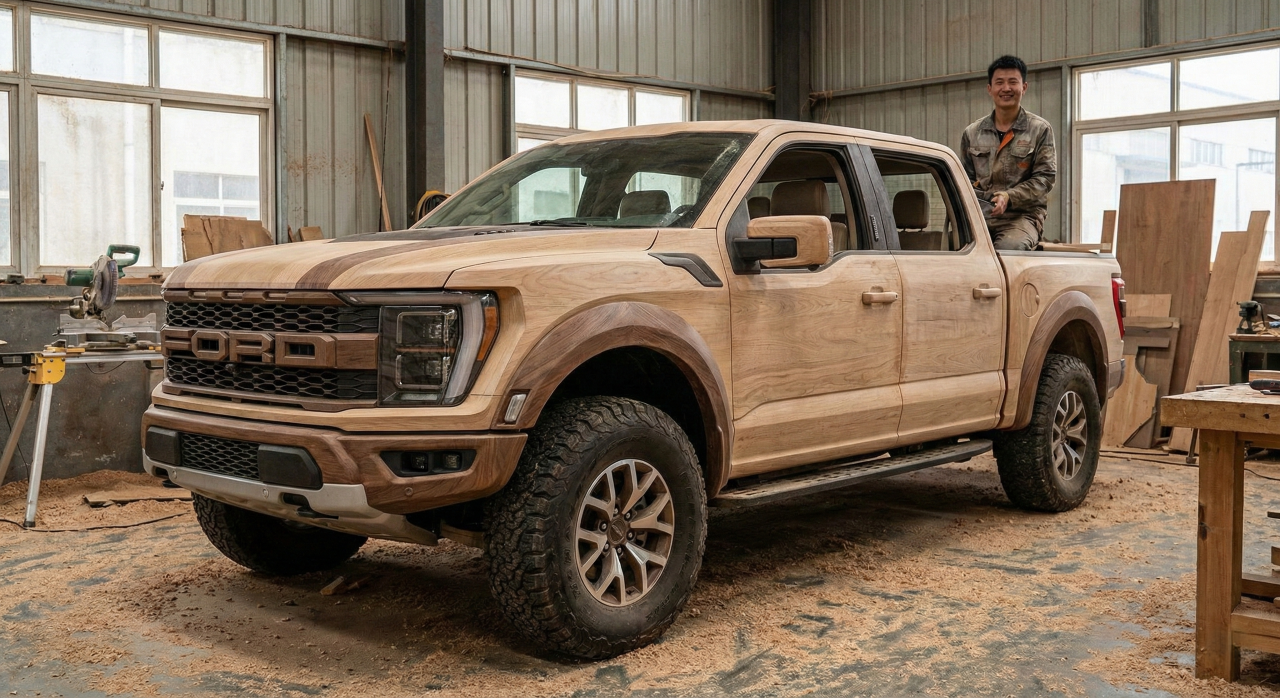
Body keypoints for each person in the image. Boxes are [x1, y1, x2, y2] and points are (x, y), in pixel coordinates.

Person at [960, 55, 1057, 250]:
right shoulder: (972, 133)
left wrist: (1009, 196)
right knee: (955, 252)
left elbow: (1044, 179)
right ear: (990, 89)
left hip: (1022, 216)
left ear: (1024, 87)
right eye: (999, 83)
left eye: (1013, 82)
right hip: (981, 216)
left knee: (1009, 249)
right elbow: (964, 179)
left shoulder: (1040, 129)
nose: (1006, 88)